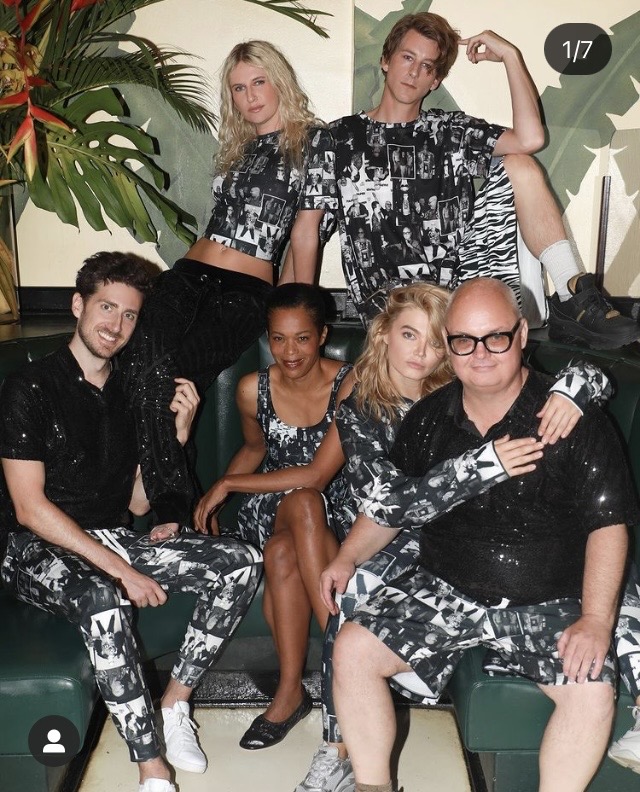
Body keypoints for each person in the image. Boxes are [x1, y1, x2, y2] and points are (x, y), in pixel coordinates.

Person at [324, 278, 639, 792]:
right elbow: (389, 506)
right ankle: (372, 786)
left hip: (550, 596)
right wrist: (348, 556)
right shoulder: (428, 419)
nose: (480, 354)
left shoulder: (569, 418)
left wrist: (596, 620)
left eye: (495, 337)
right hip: (445, 586)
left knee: (590, 689)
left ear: (521, 335)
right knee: (353, 650)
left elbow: (608, 525)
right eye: (464, 341)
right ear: (449, 346)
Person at [0, 252, 263, 792]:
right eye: (106, 307)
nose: (115, 325)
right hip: (31, 547)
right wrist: (121, 569)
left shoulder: (131, 390)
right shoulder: (30, 387)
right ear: (78, 305)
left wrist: (178, 436)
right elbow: (29, 509)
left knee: (239, 562)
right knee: (103, 599)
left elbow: (140, 504)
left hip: (110, 535)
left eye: (129, 315)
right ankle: (151, 767)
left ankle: (175, 703)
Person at [119, 40, 337, 544]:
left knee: (176, 370)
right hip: (187, 274)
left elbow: (305, 234)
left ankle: (160, 496)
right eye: (239, 88)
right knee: (140, 359)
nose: (250, 96)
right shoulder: (235, 147)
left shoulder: (314, 142)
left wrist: (295, 313)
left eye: (259, 82)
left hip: (245, 291)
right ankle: (164, 481)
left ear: (280, 82)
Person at [327, 12, 640, 351]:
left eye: (427, 66)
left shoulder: (449, 130)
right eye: (407, 57)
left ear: (435, 81)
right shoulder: (339, 137)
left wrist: (510, 56)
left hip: (459, 293)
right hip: (389, 307)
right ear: (386, 60)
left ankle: (571, 293)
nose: (414, 72)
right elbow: (308, 230)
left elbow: (530, 139)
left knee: (520, 164)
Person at [194, 283, 353, 750]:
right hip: (272, 506)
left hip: (336, 506)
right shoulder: (252, 389)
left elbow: (318, 476)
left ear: (322, 335)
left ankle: (291, 693)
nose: (290, 351)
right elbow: (255, 448)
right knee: (298, 506)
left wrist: (227, 485)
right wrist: (214, 497)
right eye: (279, 338)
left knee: (285, 547)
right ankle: (344, 672)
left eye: (302, 338)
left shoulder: (350, 384)